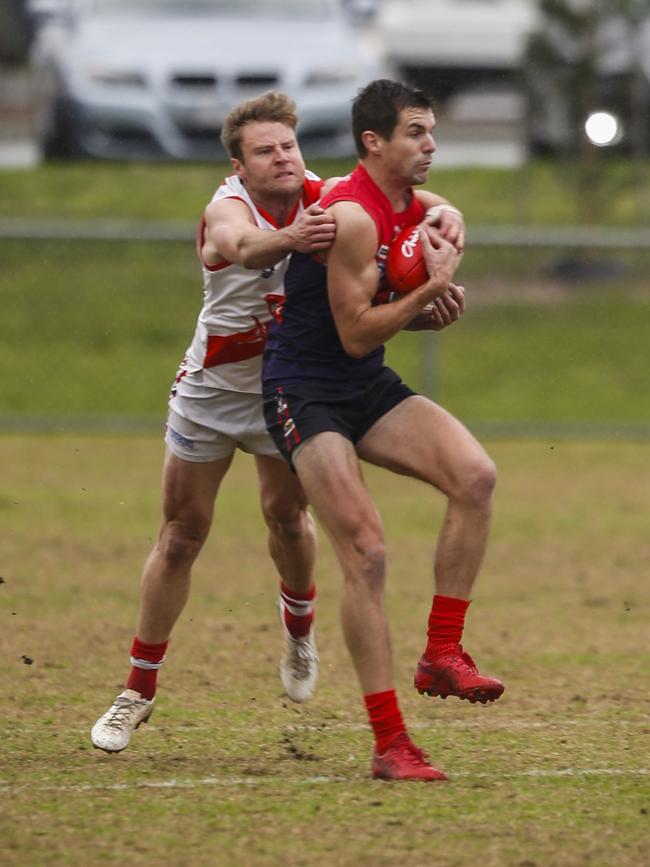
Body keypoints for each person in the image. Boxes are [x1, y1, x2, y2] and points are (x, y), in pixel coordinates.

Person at [262, 79, 503, 782]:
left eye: (430, 132)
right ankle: (389, 741)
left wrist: (448, 225)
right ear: (375, 143)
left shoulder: (406, 201)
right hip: (304, 389)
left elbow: (430, 210)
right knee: (365, 551)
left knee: (476, 475)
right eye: (416, 134)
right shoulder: (353, 217)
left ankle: (442, 654)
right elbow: (357, 332)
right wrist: (427, 292)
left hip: (361, 387)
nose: (431, 145)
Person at [91, 91, 336, 753]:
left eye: (289, 144)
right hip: (211, 392)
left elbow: (401, 205)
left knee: (286, 518)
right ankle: (137, 690)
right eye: (266, 150)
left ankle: (300, 633)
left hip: (285, 391)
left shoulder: (329, 195)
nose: (282, 157)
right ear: (239, 164)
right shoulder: (226, 207)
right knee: (180, 536)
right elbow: (243, 245)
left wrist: (442, 220)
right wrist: (293, 238)